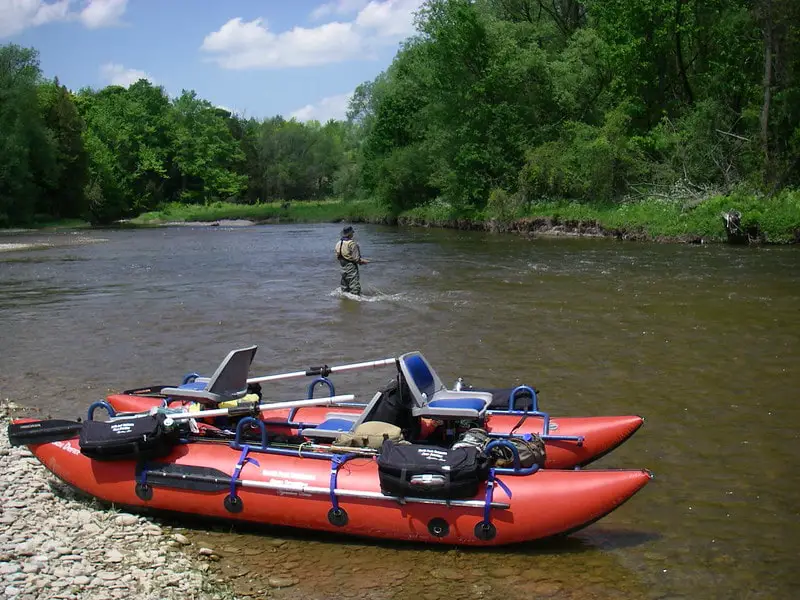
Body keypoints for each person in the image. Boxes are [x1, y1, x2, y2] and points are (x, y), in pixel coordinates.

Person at [335, 225, 369, 295]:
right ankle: (355, 302)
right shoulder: (352, 244)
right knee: (354, 287)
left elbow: (338, 257)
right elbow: (356, 259)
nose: (353, 234)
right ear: (350, 234)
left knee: (344, 287)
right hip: (351, 267)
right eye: (352, 233)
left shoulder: (338, 243)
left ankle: (346, 301)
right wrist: (363, 261)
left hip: (342, 266)